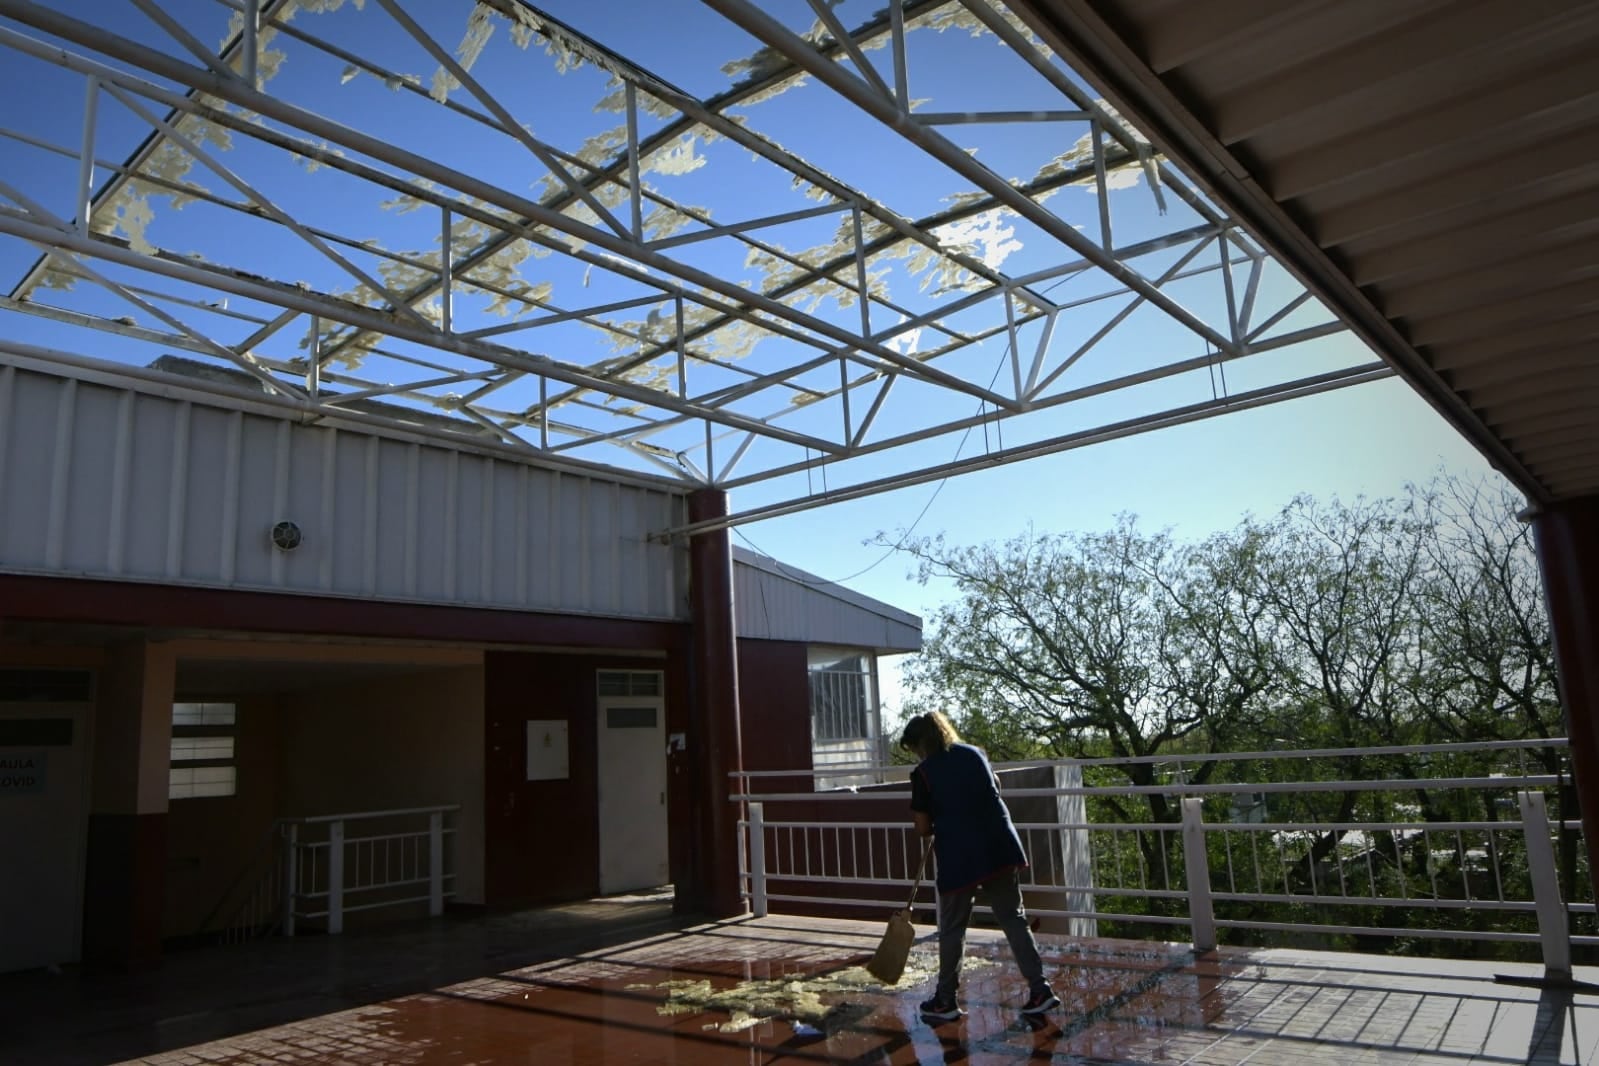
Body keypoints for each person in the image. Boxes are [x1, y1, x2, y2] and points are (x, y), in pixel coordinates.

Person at [901, 710, 1059, 1020]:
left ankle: (945, 1001)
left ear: (919, 743)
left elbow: (922, 828)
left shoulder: (924, 773)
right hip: (999, 846)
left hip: (960, 856)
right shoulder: (976, 755)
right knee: (1014, 919)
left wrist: (937, 817)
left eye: (913, 748)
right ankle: (1040, 989)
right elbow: (994, 788)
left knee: (952, 929)